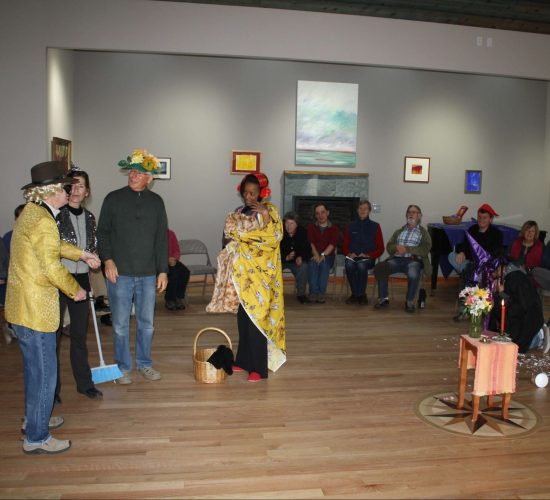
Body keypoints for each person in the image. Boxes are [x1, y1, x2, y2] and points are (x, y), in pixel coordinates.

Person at [5, 160, 100, 455]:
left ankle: (35, 419)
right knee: (45, 373)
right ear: (52, 191)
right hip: (36, 311)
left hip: (21, 308)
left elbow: (54, 246)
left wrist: (82, 254)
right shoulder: (45, 220)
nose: (70, 191)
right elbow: (50, 267)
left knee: (36, 371)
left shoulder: (33, 214)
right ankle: (36, 437)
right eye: (66, 186)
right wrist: (77, 291)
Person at [97, 149, 168, 385]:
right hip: (120, 273)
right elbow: (103, 233)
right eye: (132, 171)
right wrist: (107, 259)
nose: (134, 175)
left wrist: (163, 270)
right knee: (119, 325)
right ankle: (122, 366)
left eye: (140, 172)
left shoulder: (157, 202)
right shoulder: (113, 199)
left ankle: (145, 364)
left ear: (149, 178)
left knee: (147, 324)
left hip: (148, 275)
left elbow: (161, 239)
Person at [207, 173, 286, 382]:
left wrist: (265, 220)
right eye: (246, 192)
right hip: (241, 274)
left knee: (256, 320)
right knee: (243, 318)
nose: (249, 196)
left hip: (261, 275)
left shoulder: (270, 211)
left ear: (262, 193)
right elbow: (227, 236)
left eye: (253, 192)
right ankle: (243, 360)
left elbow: (274, 238)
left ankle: (259, 368)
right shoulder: (238, 212)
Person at [55, 168, 103, 400]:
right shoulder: (55, 214)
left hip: (82, 279)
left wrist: (94, 263)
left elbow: (92, 247)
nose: (75, 190)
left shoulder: (90, 217)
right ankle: (52, 390)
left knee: (78, 335)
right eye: (72, 185)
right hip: (58, 279)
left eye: (81, 186)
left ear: (87, 192)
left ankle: (84, 384)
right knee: (52, 337)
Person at [448, 203, 504, 319]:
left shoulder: (497, 234)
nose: (481, 220)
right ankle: (470, 271)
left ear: (490, 219)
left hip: (485, 266)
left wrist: (482, 263)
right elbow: (464, 245)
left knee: (467, 273)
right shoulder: (471, 229)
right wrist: (462, 252)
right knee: (451, 256)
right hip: (469, 262)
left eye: (484, 218)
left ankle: (463, 310)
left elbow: (496, 253)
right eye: (479, 217)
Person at [373, 204, 431, 313]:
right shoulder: (399, 231)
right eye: (409, 212)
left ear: (419, 216)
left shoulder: (423, 233)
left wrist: (408, 249)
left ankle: (409, 301)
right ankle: (383, 299)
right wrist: (396, 247)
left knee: (414, 273)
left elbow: (425, 249)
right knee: (381, 267)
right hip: (396, 259)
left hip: (413, 261)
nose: (411, 214)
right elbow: (389, 246)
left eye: (414, 212)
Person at [489, 263, 549, 354]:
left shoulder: (515, 279)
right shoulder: (509, 278)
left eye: (495, 270)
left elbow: (520, 308)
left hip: (528, 325)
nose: (493, 274)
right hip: (518, 320)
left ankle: (539, 337)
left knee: (512, 346)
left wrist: (502, 295)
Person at [342, 200, 384, 305]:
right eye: (360, 208)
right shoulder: (349, 226)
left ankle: (359, 294)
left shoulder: (375, 226)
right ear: (357, 210)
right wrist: (349, 253)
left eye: (365, 208)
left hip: (368, 258)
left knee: (361, 265)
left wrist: (368, 255)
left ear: (369, 211)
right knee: (349, 264)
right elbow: (344, 246)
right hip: (352, 256)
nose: (362, 210)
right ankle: (357, 294)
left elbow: (381, 248)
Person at [307, 203, 339, 304]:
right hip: (314, 254)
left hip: (328, 256)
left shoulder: (334, 229)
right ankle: (313, 293)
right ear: (315, 215)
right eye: (317, 213)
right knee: (312, 264)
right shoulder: (311, 227)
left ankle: (321, 294)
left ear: (327, 213)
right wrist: (316, 255)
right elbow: (311, 243)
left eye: (323, 212)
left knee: (324, 265)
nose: (320, 215)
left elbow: (332, 245)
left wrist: (323, 255)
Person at [280, 212, 311, 304]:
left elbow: (308, 250)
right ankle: (273, 294)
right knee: (273, 268)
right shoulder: (279, 232)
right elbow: (274, 250)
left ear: (296, 224)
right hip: (282, 260)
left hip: (296, 262)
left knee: (304, 267)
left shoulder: (303, 232)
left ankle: (301, 295)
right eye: (286, 223)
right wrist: (285, 257)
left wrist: (301, 257)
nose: (288, 226)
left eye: (291, 223)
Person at [165, 228, 190, 310]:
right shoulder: (153, 234)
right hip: (159, 262)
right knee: (173, 273)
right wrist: (166, 259)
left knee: (185, 272)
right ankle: (170, 299)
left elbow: (176, 250)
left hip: (172, 260)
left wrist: (174, 258)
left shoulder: (170, 233)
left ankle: (178, 297)